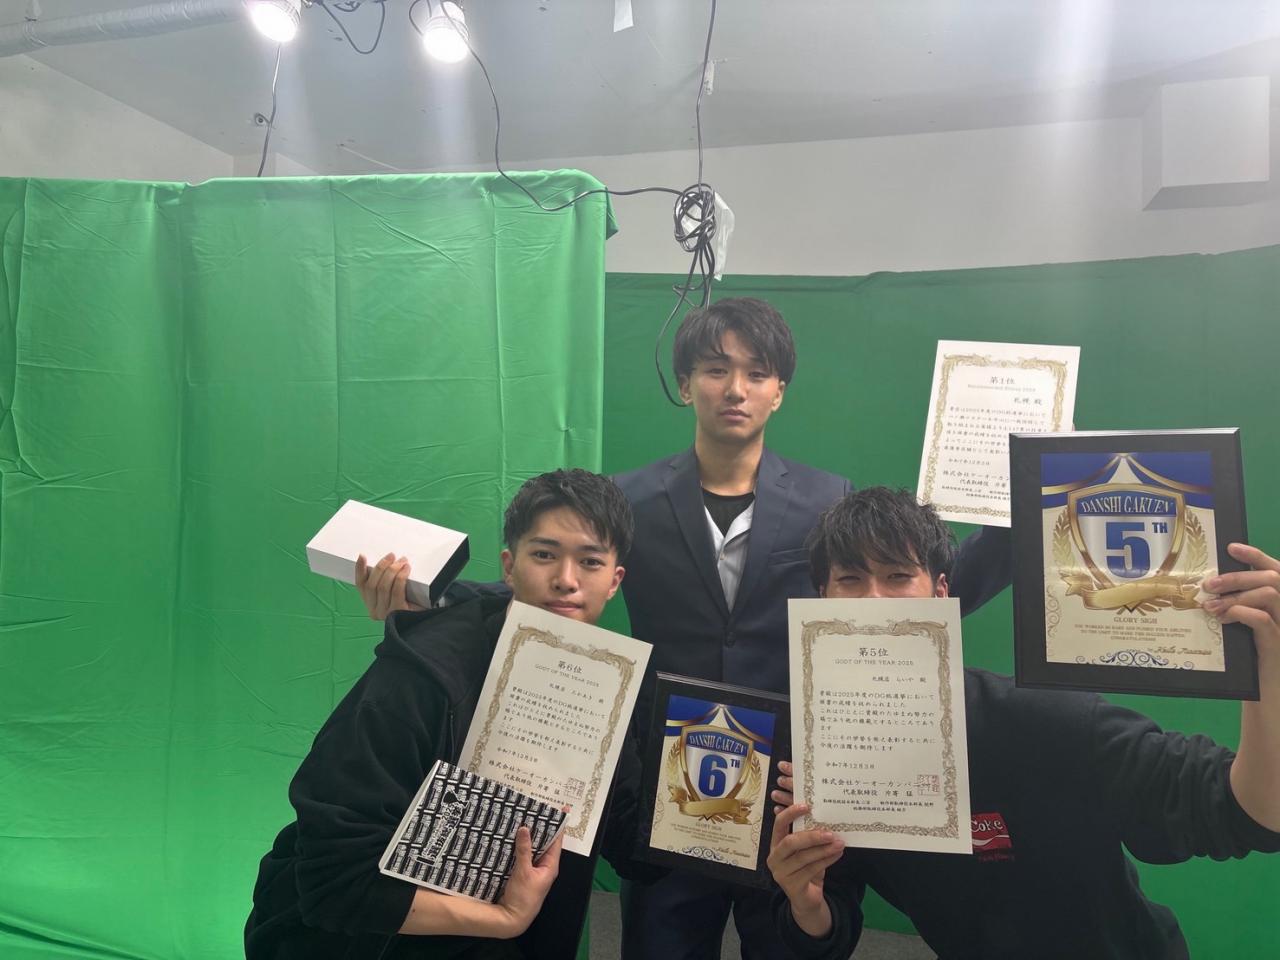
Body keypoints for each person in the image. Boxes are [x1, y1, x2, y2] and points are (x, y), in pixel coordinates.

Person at [355, 298, 1011, 960]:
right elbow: (560, 585)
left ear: (780, 390)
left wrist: (1015, 531)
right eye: (716, 369)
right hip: (666, 777)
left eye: (757, 372)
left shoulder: (826, 498)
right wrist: (430, 596)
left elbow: (902, 604)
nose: (735, 389)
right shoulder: (631, 498)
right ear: (685, 383)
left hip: (787, 779)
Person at [767, 486, 1280, 959]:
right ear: (822, 600)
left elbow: (1249, 812)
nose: (874, 601)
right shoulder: (828, 756)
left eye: (898, 576)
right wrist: (806, 905)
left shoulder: (1042, 720)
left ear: (941, 593)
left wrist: (1270, 663)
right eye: (850, 580)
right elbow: (833, 915)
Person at [245, 469, 641, 959]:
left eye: (590, 561)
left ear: (614, 581)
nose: (566, 580)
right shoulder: (418, 677)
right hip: (362, 941)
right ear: (509, 566)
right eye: (544, 554)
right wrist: (504, 919)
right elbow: (332, 883)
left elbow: (631, 843)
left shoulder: (607, 689)